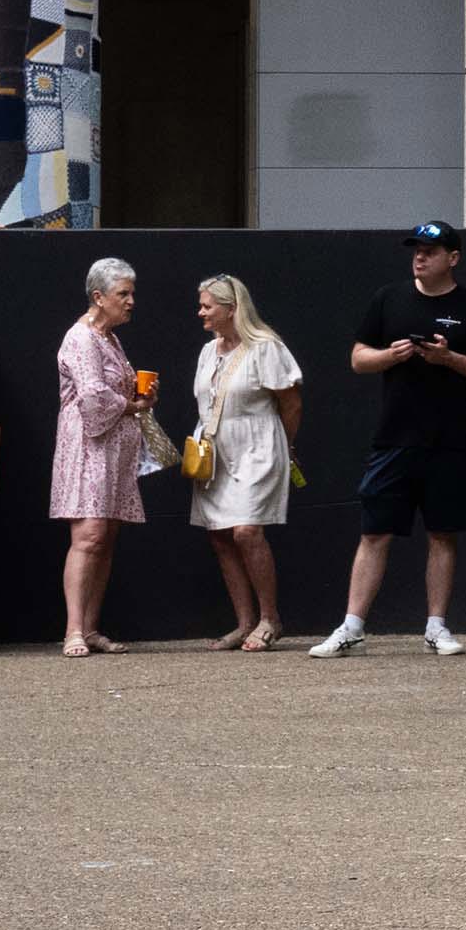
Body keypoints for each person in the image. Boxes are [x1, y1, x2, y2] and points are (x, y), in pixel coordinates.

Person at [318, 223, 466, 657]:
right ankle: (352, 625)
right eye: (417, 249)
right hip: (394, 437)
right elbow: (358, 358)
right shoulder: (389, 298)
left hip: (450, 438)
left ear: (453, 258)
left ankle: (436, 626)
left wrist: (449, 359)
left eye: (431, 251)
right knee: (375, 531)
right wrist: (390, 356)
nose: (420, 257)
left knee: (442, 533)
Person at [184, 275, 304, 652]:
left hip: (257, 446)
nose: (200, 311)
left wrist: (284, 445)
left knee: (246, 531)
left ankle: (270, 618)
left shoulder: (265, 347)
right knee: (219, 535)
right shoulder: (209, 351)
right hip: (214, 451)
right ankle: (244, 622)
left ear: (232, 309)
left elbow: (291, 402)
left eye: (207, 305)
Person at [50, 259, 150, 654]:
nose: (130, 302)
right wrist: (132, 405)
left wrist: (141, 400)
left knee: (106, 536)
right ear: (98, 297)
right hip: (89, 447)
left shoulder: (108, 338)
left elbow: (116, 390)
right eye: (123, 294)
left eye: (131, 294)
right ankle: (73, 630)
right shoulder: (81, 338)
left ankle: (91, 627)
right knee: (89, 535)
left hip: (114, 448)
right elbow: (92, 397)